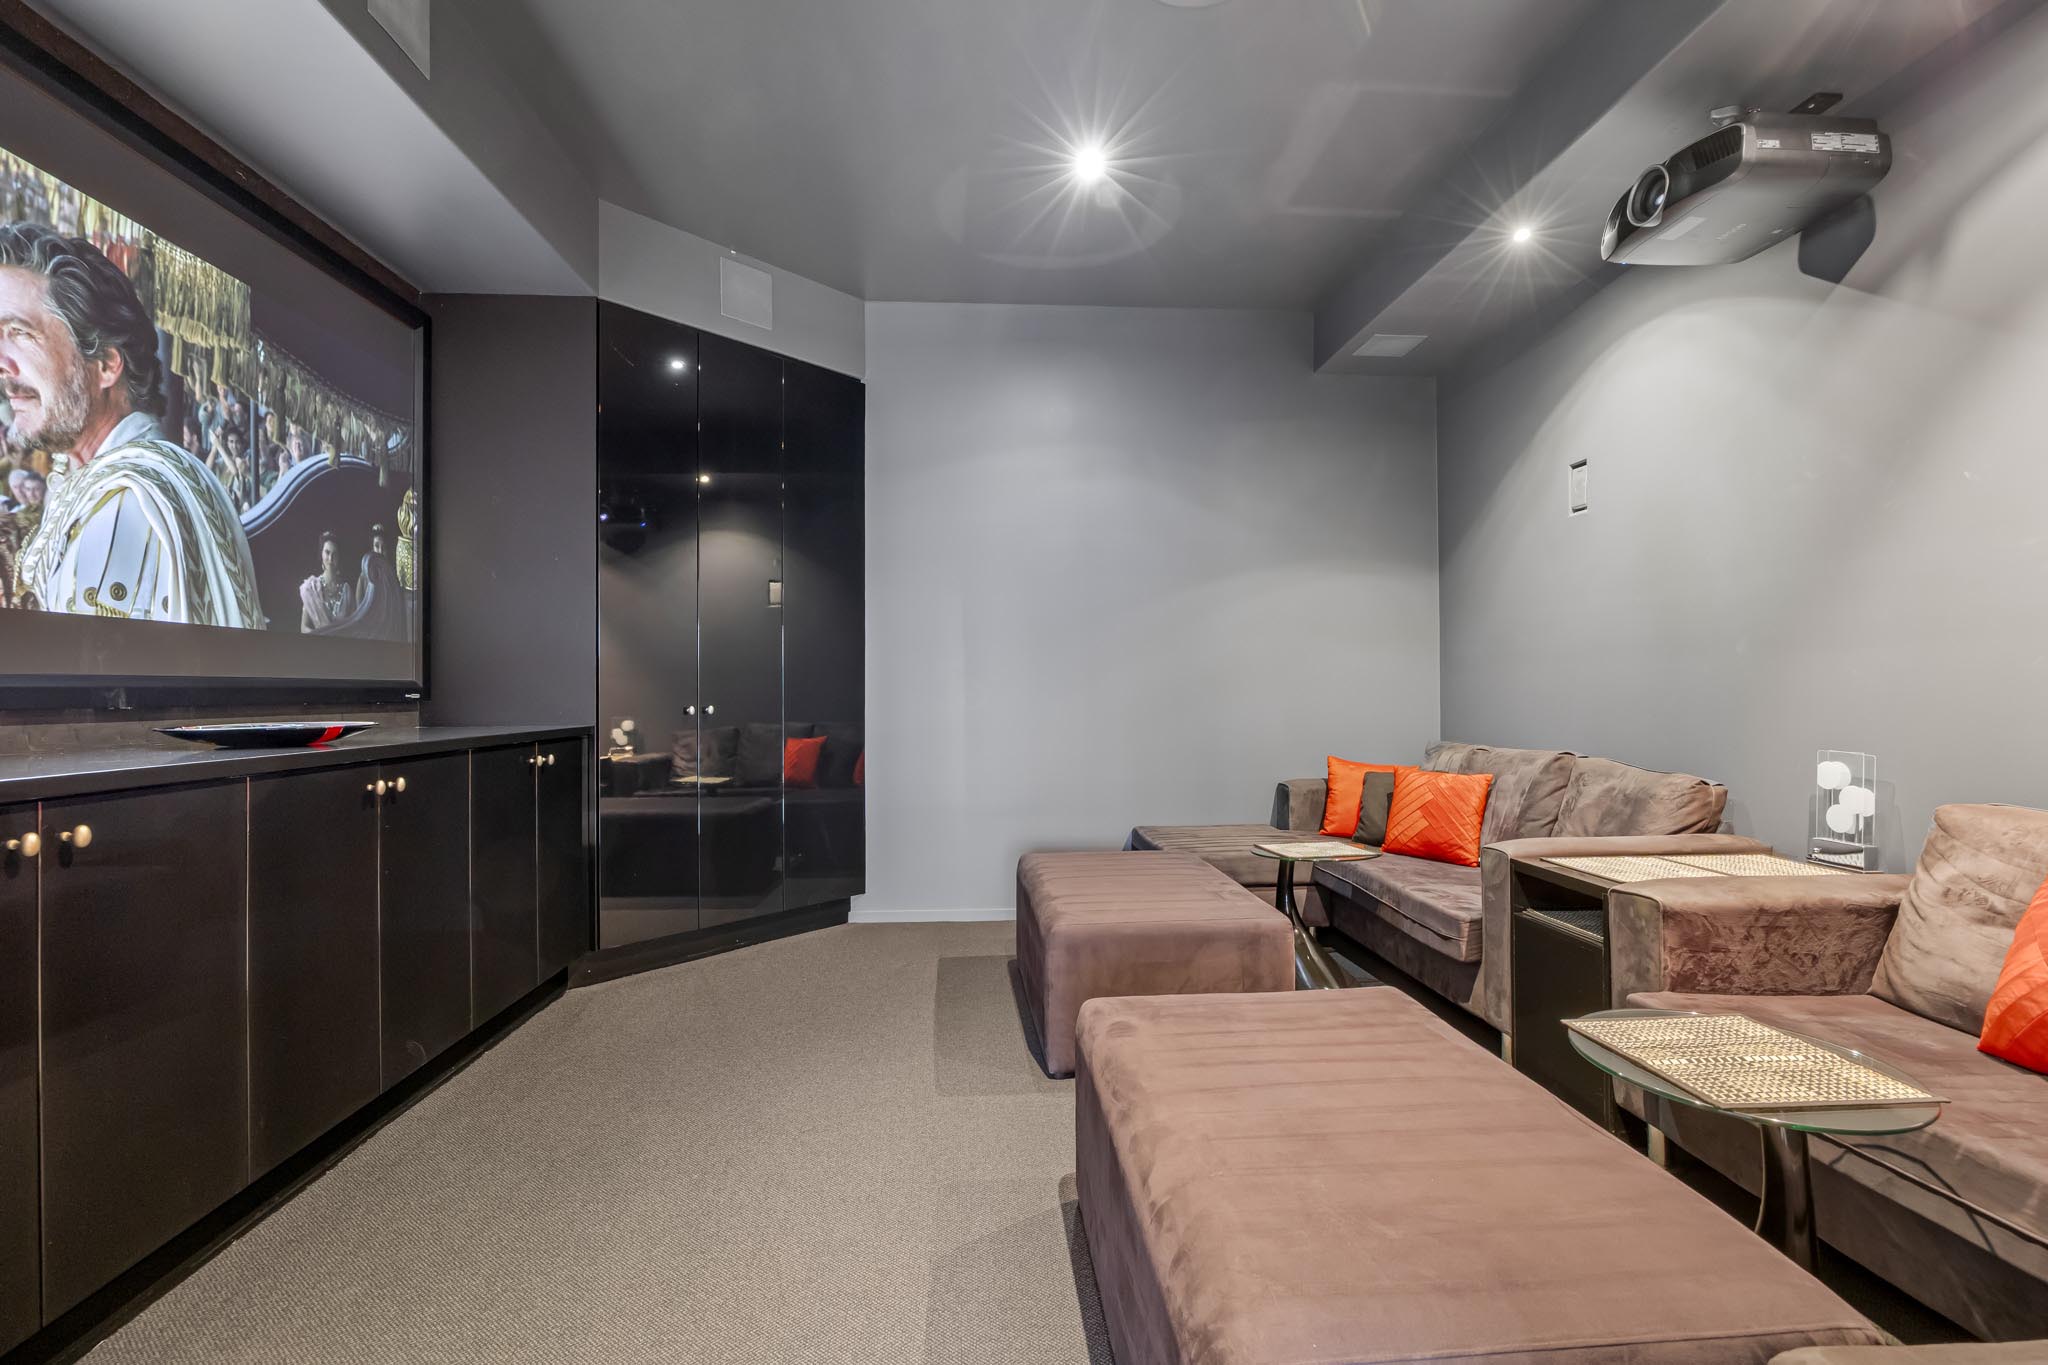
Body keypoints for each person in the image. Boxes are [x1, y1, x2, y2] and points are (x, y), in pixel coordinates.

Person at [0, 222, 261, 627]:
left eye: (20, 333)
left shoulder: (123, 507)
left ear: (106, 365)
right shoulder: (116, 477)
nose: (3, 363)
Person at [298, 529, 353, 631]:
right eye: (327, 552)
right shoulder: (311, 588)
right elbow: (304, 627)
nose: (330, 559)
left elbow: (354, 626)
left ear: (339, 557)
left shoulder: (346, 590)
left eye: (334, 554)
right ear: (321, 554)